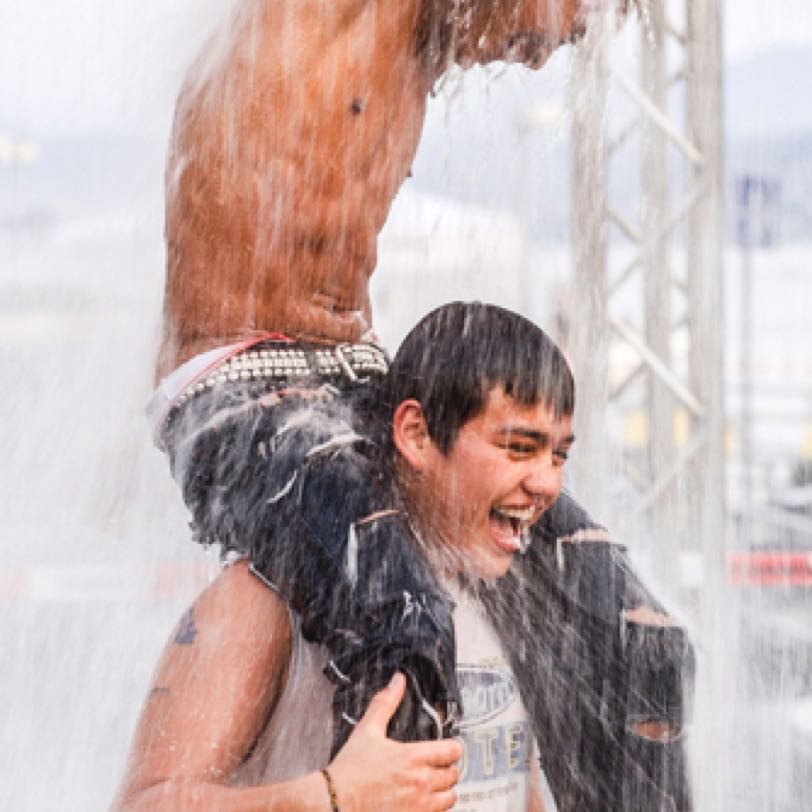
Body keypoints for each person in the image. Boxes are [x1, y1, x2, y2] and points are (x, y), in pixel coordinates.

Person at [148, 0, 638, 749]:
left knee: (633, 635)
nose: (541, 58)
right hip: (232, 383)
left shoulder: (423, 48)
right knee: (401, 621)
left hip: (353, 377)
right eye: (566, 19)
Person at [115, 302, 577, 811]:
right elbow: (142, 805)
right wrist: (331, 796)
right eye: (519, 448)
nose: (547, 484)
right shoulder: (260, 604)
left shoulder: (501, 597)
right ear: (416, 434)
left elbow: (515, 791)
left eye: (558, 455)